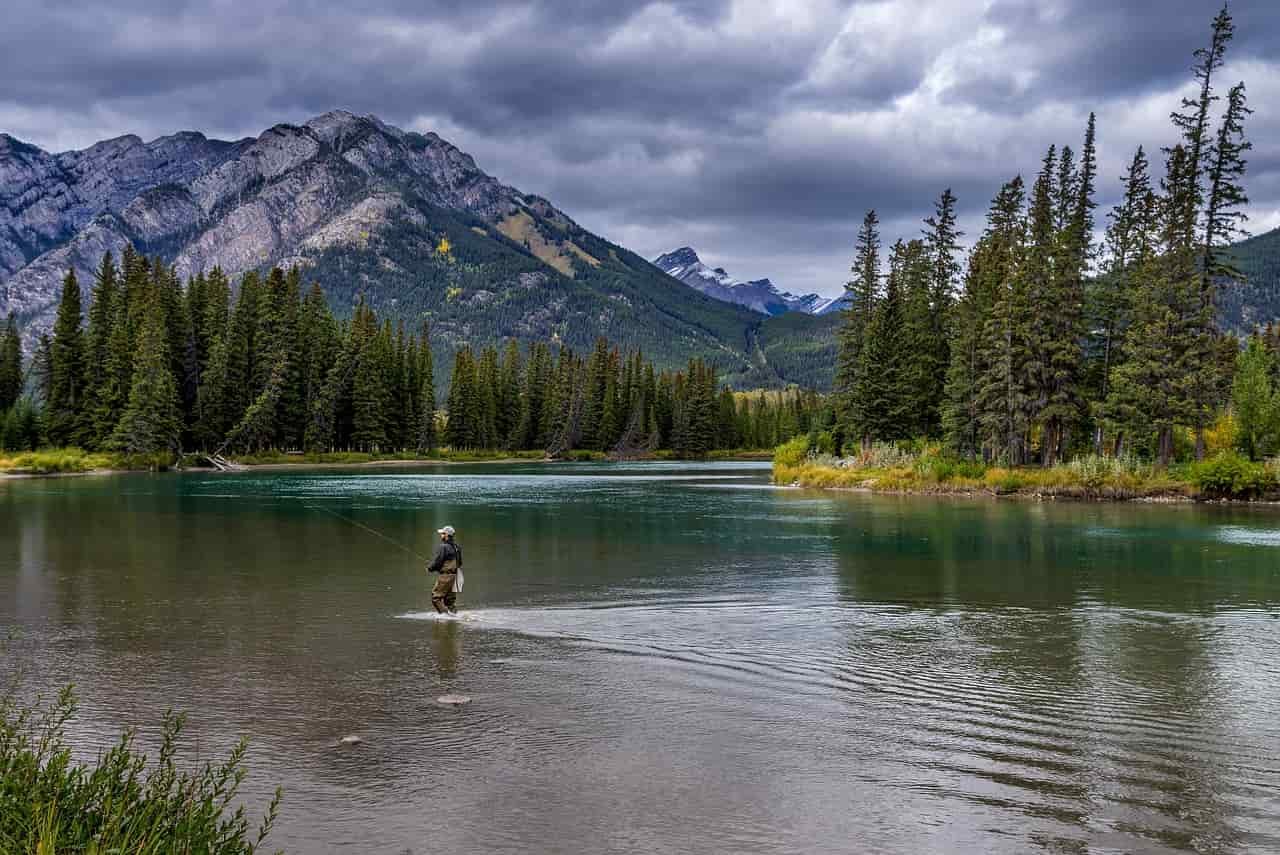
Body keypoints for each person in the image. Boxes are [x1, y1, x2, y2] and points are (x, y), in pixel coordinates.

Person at [426, 525, 463, 615]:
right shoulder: (457, 547)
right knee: (449, 602)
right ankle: (455, 617)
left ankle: (446, 616)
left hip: (446, 576)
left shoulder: (443, 547)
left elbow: (438, 561)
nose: (441, 535)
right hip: (455, 576)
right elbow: (460, 563)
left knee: (436, 598)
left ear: (446, 535)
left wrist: (430, 568)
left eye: (442, 533)